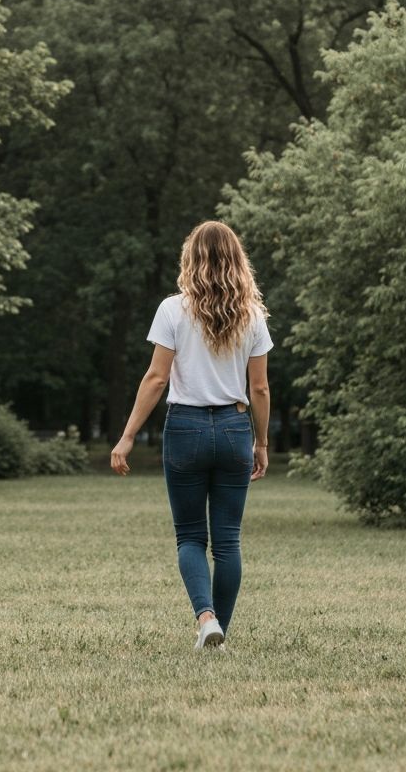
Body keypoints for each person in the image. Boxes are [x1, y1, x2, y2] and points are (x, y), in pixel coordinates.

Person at [110, 220, 272, 651]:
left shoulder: (172, 310)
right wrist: (262, 442)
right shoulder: (253, 315)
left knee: (190, 537)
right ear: (237, 260)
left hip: (185, 428)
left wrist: (127, 436)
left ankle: (205, 619)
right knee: (228, 540)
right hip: (236, 428)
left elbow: (155, 378)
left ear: (191, 259)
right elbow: (259, 388)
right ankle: (218, 630)